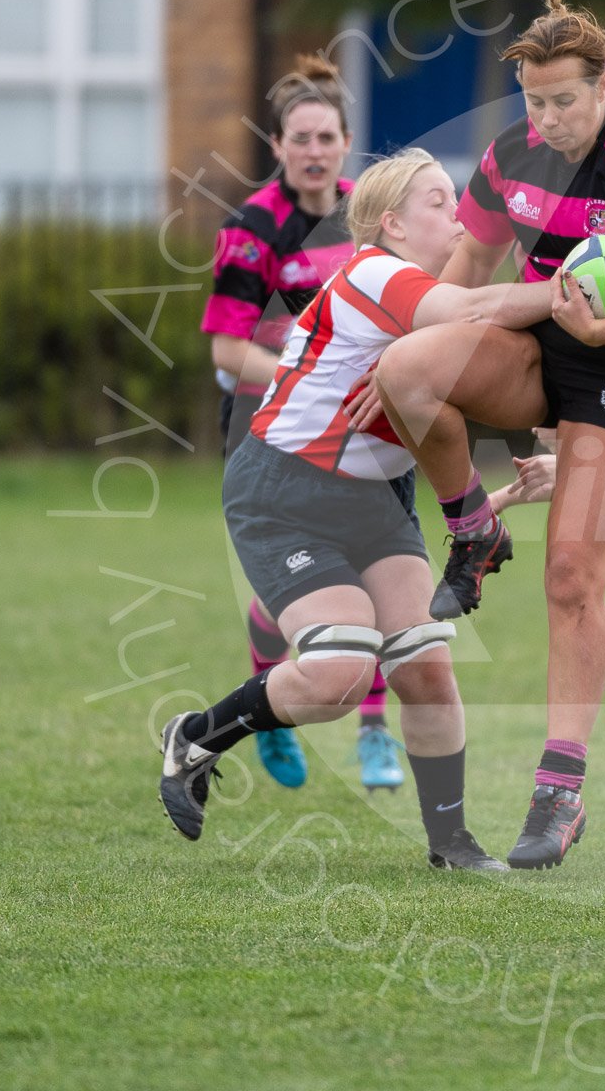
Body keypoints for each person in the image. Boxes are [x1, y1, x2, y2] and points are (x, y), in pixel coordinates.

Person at [375, 0, 605, 870]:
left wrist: (602, 329)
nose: (550, 118)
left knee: (572, 576)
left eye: (565, 101)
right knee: (408, 370)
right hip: (545, 343)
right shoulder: (511, 155)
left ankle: (559, 792)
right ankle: (472, 529)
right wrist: (434, 318)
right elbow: (466, 268)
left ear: (603, 87)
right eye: (535, 101)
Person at [160, 149, 556, 872]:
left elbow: (499, 370)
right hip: (284, 493)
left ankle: (452, 845)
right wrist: (568, 289)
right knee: (341, 674)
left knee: (426, 668)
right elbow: (476, 308)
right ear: (392, 224)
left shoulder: (429, 299)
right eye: (440, 202)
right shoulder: (375, 270)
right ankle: (195, 736)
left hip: (374, 500)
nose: (459, 215)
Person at [199, 55, 404, 793]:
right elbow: (227, 350)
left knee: (376, 578)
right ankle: (270, 689)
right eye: (301, 138)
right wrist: (309, 372)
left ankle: (377, 733)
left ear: (347, 143)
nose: (315, 151)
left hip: (366, 422)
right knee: (299, 591)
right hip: (271, 429)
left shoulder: (371, 217)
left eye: (327, 137)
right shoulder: (251, 229)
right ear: (279, 147)